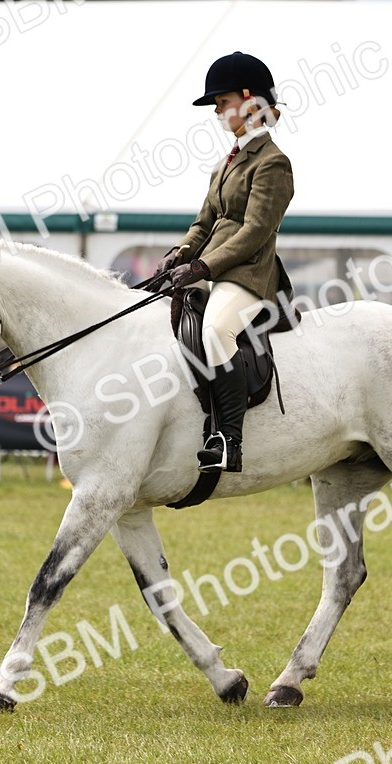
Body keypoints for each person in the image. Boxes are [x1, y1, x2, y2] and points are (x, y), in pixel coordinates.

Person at [154, 51, 295, 474]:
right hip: (212, 267)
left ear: (249, 100)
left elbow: (255, 232)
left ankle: (229, 440)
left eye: (222, 101)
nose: (217, 111)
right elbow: (204, 223)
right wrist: (180, 254)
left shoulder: (273, 163)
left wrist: (204, 267)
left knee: (216, 330)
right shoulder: (225, 164)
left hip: (247, 273)